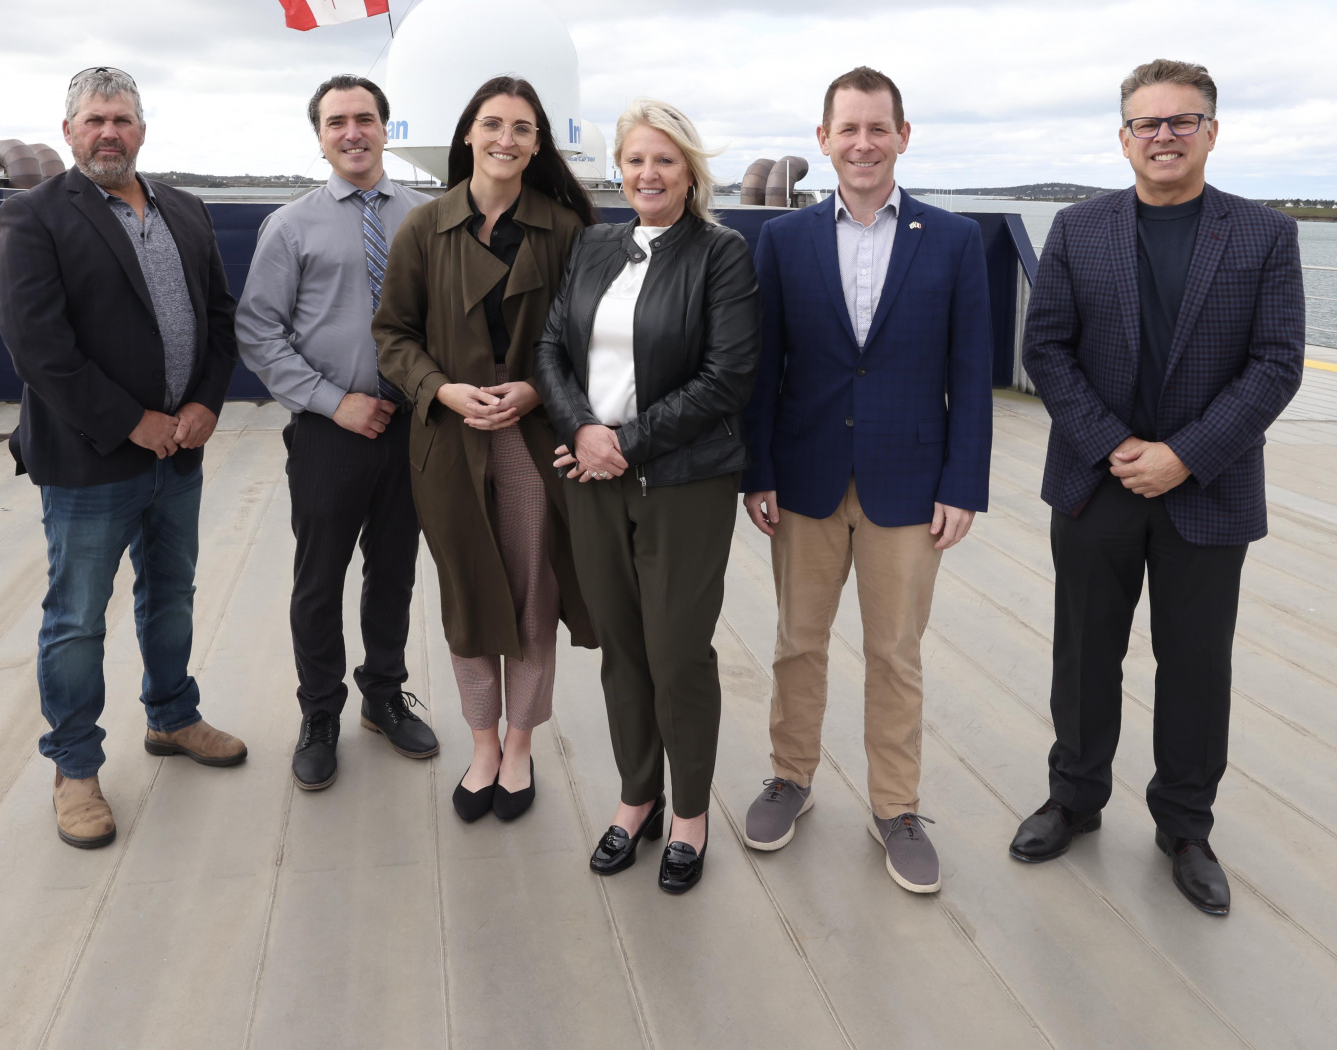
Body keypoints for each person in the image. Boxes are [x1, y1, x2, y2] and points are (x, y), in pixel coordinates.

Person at [1011, 58, 1303, 916]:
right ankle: (1074, 799)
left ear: (1212, 131)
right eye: (1148, 122)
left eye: (1183, 121)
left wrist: (1185, 454)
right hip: (1096, 486)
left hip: (1206, 490)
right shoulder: (1079, 227)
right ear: (1124, 137)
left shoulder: (1263, 235)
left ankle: (1185, 825)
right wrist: (1115, 447)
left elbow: (1277, 364)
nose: (1164, 135)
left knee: (1196, 666)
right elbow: (1048, 351)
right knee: (1084, 652)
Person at [739, 65, 992, 895]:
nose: (862, 143)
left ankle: (896, 807)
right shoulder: (782, 243)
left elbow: (971, 371)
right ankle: (791, 776)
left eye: (877, 127)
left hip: (909, 487)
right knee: (797, 643)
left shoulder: (952, 242)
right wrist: (759, 472)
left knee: (895, 653)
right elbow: (764, 368)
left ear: (903, 136)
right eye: (846, 129)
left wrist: (964, 483)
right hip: (805, 477)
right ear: (823, 140)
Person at [0, 66, 247, 850]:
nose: (110, 132)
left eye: (124, 120)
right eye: (96, 119)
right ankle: (75, 768)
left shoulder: (187, 210)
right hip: (91, 459)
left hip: (180, 454)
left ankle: (171, 716)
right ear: (70, 130)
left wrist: (205, 401)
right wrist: (132, 421)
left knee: (170, 595)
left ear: (143, 129)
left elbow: (217, 317)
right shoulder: (35, 216)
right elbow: (37, 346)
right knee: (76, 619)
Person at [535, 101, 760, 895]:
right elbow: (550, 347)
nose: (647, 175)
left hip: (684, 482)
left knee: (676, 651)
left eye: (664, 161)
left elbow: (728, 376)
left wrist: (622, 443)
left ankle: (691, 815)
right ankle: (638, 800)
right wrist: (582, 429)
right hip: (594, 479)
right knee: (621, 645)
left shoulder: (721, 254)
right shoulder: (596, 245)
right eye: (634, 161)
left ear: (691, 171)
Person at [373, 76, 596, 824]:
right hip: (449, 441)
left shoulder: (566, 230)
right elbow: (392, 335)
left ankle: (522, 743)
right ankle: (482, 746)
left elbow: (586, 340)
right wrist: (440, 389)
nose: (507, 138)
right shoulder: (422, 228)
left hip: (533, 442)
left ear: (538, 145)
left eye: (523, 128)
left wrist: (536, 389)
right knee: (468, 595)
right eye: (493, 124)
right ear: (467, 133)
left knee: (536, 594)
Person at [235, 75, 438, 792]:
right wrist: (332, 401)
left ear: (386, 126)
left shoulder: (428, 217)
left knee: (395, 572)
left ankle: (383, 696)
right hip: (330, 432)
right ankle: (320, 712)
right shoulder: (290, 225)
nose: (352, 132)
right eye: (336, 122)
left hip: (412, 429)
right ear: (319, 136)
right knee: (319, 580)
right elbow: (258, 330)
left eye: (365, 118)